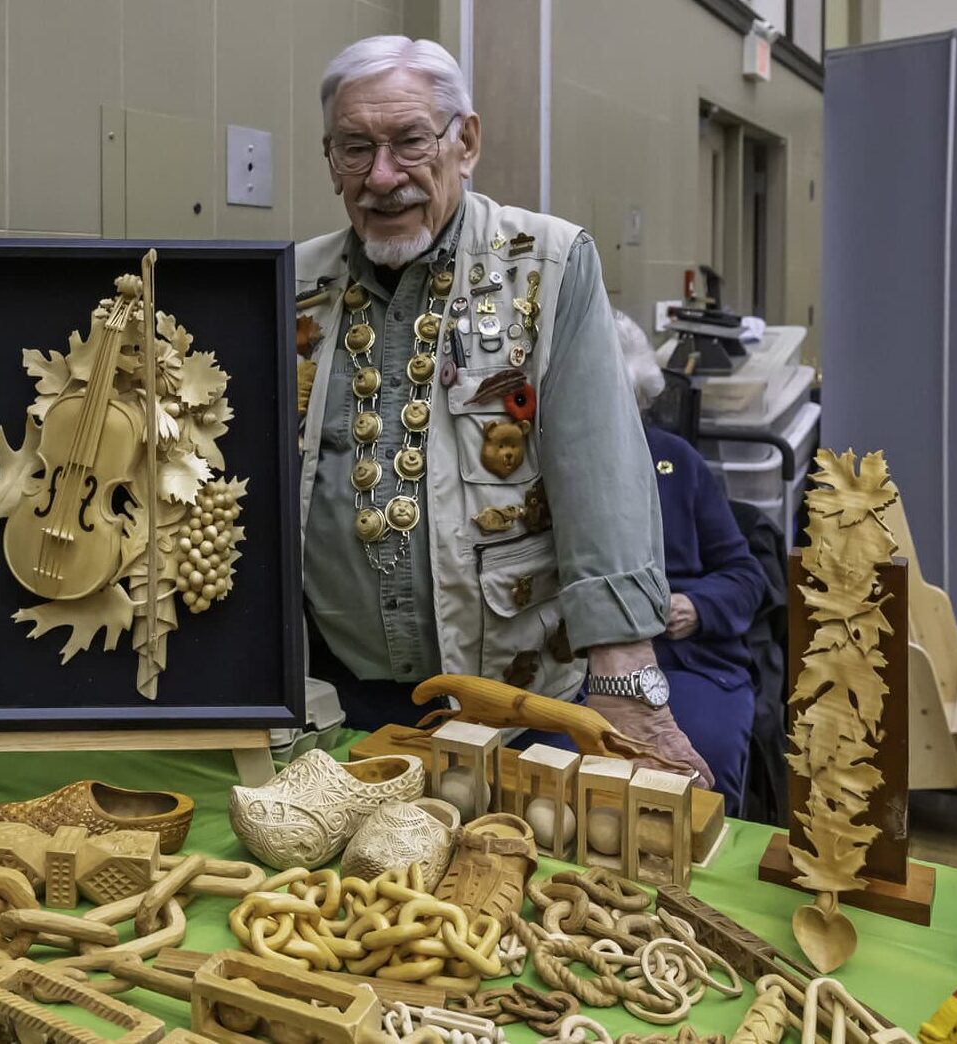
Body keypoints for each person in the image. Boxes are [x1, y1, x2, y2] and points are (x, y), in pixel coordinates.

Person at [295, 35, 710, 783]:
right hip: (332, 693)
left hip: (512, 701)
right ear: (330, 161)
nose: (383, 177)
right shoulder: (291, 282)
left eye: (409, 141)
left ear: (467, 141)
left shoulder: (550, 263)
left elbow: (601, 476)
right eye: (354, 149)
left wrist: (626, 684)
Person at [614, 310, 769, 812]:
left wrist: (695, 606)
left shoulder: (677, 461)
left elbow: (746, 576)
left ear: (639, 397)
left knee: (699, 770)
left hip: (686, 658)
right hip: (579, 665)